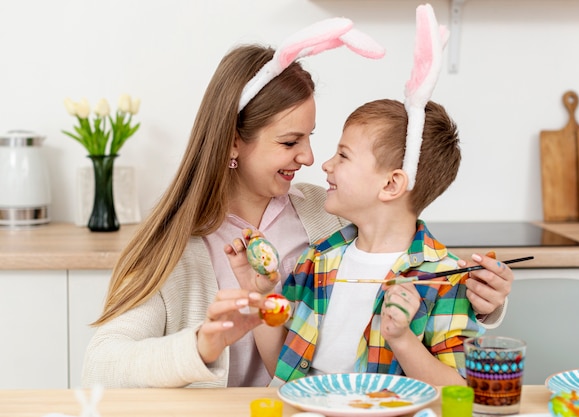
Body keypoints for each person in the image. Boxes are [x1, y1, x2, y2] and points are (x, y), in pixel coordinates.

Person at [82, 20, 511, 389]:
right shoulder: (172, 243)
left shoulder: (327, 214)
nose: (309, 158)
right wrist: (203, 343)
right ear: (234, 141)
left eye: (311, 137)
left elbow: (404, 242)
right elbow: (101, 365)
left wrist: (484, 303)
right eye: (290, 141)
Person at [252, 98, 488, 387]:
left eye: (343, 155)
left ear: (390, 184)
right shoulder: (316, 260)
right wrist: (261, 295)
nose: (326, 164)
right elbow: (281, 368)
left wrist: (402, 339)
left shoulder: (446, 279)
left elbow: (460, 391)